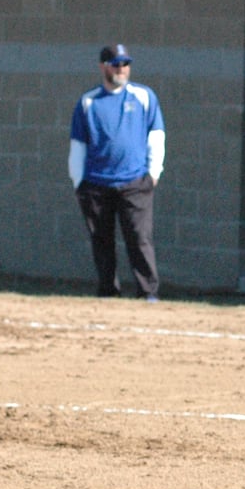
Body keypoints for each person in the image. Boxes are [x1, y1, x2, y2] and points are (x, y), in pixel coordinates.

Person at [69, 43, 165, 301]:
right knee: (102, 241)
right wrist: (78, 181)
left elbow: (156, 136)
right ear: (103, 66)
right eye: (115, 64)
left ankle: (147, 293)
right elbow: (78, 145)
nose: (121, 69)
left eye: (125, 64)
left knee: (139, 238)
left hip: (135, 182)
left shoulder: (144, 97)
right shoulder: (88, 102)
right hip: (96, 183)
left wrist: (153, 172)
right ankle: (108, 292)